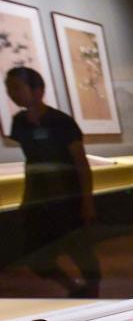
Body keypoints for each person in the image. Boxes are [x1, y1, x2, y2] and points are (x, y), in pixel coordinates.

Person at [5, 67, 100, 296]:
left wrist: (87, 202)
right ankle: (73, 288)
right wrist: (27, 200)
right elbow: (33, 164)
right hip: (39, 198)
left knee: (79, 249)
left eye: (17, 88)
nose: (12, 94)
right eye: (9, 89)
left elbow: (80, 163)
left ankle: (94, 292)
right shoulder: (19, 122)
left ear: (37, 90)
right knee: (37, 256)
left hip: (67, 196)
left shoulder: (60, 121)